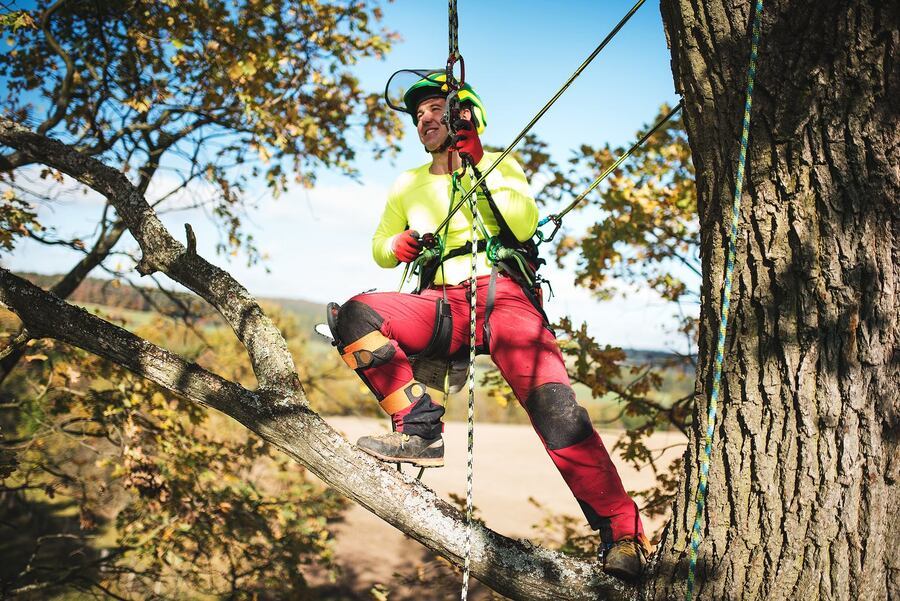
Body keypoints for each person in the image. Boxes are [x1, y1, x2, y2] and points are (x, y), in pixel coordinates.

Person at [327, 71, 650, 579]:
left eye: (436, 109)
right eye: (418, 116)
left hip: (503, 296)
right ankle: (418, 428)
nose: (425, 120)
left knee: (556, 409)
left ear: (465, 115)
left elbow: (522, 224)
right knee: (354, 314)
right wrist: (397, 246)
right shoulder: (407, 183)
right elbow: (379, 244)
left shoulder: (499, 163)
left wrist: (478, 162)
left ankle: (622, 534)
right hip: (443, 305)